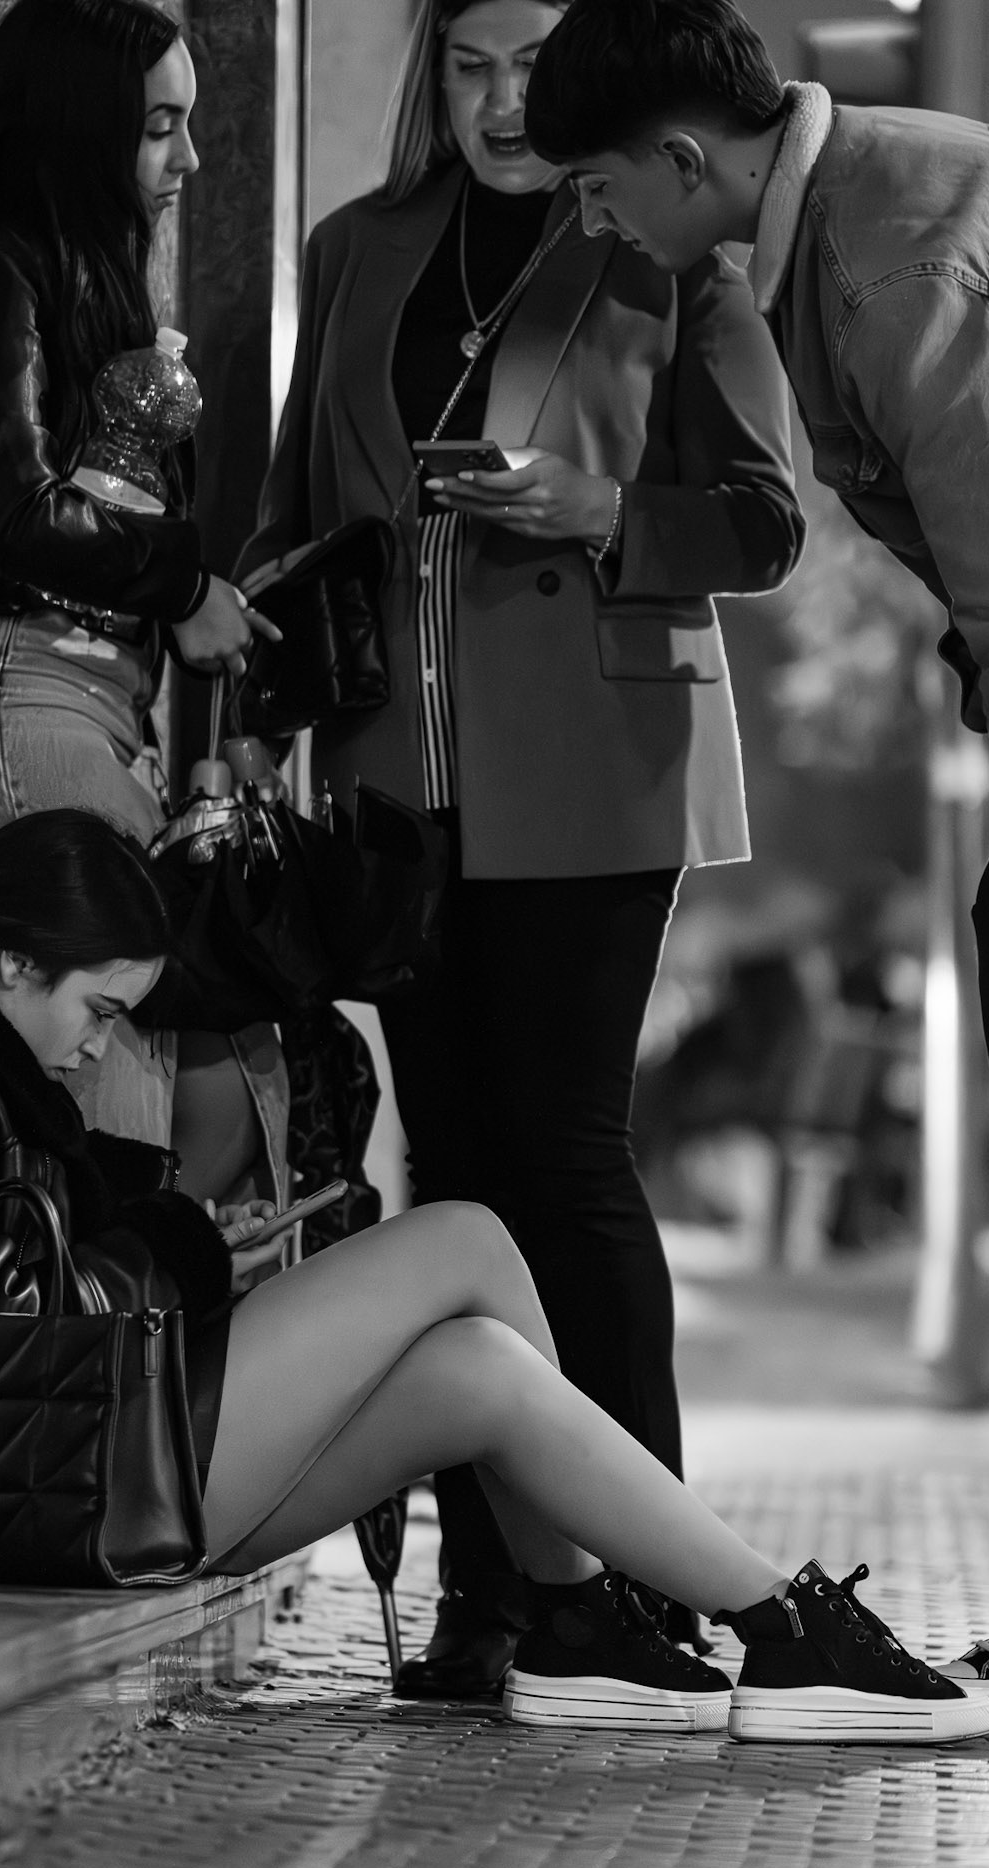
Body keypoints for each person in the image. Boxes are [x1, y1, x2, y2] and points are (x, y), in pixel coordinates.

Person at [0, 808, 989, 1746]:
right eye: (99, 1007)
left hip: (92, 1471)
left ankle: (593, 1621)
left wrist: (181, 1241)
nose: (97, 1044)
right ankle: (757, 1619)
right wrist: (174, 1245)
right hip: (65, 1479)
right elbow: (18, 1344)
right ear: (14, 965)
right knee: (465, 1237)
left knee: (474, 1367)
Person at [237, 0, 804, 1697]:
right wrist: (257, 706)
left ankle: (641, 1584)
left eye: (534, 66)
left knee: (564, 1161)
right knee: (453, 1180)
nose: (503, 103)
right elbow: (288, 509)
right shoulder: (357, 249)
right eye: (471, 65)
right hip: (396, 782)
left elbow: (766, 518)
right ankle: (503, 1596)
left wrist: (600, 510)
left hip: (596, 770)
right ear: (434, 73)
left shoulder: (662, 239)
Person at [522, 0, 989, 1726]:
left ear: (687, 158)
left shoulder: (890, 260)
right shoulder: (849, 222)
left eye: (600, 188)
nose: (594, 222)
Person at [0, 0, 287, 1210]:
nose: (191, 159)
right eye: (160, 127)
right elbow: (12, 509)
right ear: (74, 126)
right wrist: (182, 584)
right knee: (106, 1121)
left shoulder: (66, 268)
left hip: (60, 694)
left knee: (139, 1104)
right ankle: (101, 1334)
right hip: (10, 684)